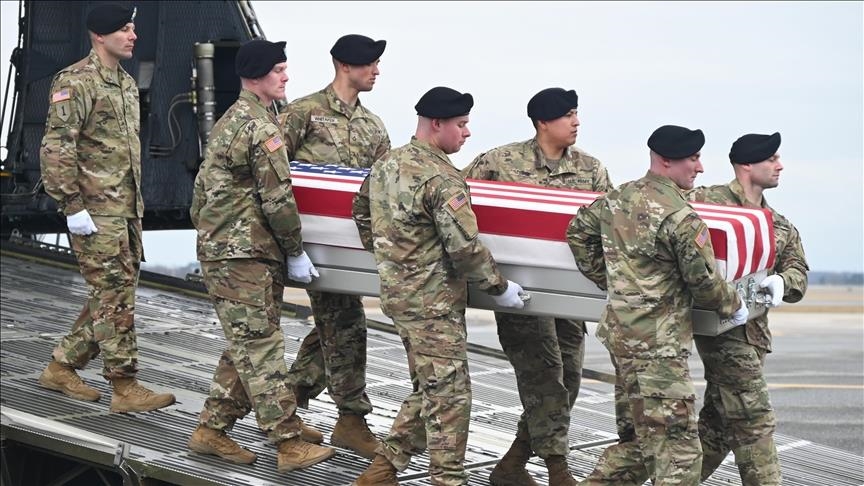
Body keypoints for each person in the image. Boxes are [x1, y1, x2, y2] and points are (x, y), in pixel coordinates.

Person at [351, 87, 528, 485]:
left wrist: (393, 258)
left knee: (431, 386)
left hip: (399, 295)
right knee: (450, 396)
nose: (467, 133)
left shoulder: (387, 164)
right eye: (461, 124)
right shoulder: (442, 178)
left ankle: (382, 471)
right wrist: (499, 287)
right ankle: (447, 479)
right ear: (437, 124)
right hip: (432, 304)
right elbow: (464, 248)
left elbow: (360, 212)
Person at [567, 125, 751, 485]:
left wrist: (614, 281)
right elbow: (705, 284)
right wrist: (735, 303)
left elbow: (577, 231)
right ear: (667, 160)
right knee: (678, 451)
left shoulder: (618, 198)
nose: (699, 168)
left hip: (623, 337)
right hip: (659, 348)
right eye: (693, 159)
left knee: (646, 440)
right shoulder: (681, 217)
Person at [185, 39, 335, 473]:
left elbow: (201, 193)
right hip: (243, 254)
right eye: (278, 70)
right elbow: (278, 199)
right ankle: (286, 442)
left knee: (247, 343)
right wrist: (295, 249)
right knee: (262, 347)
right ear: (256, 76)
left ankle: (212, 429)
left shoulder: (234, 119)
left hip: (233, 250)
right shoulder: (261, 127)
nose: (286, 77)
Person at [462, 87, 613, 486]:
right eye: (568, 115)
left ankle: (512, 465)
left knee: (569, 382)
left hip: (570, 297)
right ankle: (557, 470)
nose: (576, 122)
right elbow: (455, 202)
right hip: (521, 295)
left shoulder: (591, 170)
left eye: (576, 114)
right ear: (543, 122)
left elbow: (608, 227)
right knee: (546, 380)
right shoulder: (499, 162)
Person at [37, 3, 176, 414]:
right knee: (113, 295)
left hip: (126, 209)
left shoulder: (126, 83)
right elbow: (57, 147)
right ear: (100, 35)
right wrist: (71, 206)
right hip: (95, 211)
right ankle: (124, 385)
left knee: (113, 294)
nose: (133, 36)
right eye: (124, 29)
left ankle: (62, 366)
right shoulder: (76, 81)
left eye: (133, 28)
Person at [278, 33, 390, 459]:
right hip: (307, 245)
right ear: (345, 65)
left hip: (351, 248)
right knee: (347, 325)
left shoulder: (373, 125)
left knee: (337, 325)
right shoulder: (303, 113)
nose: (377, 71)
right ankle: (350, 419)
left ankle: (288, 401)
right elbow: (270, 170)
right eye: (370, 64)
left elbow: (383, 186)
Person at [687, 132, 808, 485]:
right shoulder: (702, 202)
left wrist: (783, 281)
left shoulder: (779, 225)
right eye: (772, 159)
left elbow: (798, 270)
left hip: (752, 335)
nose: (780, 165)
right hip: (715, 326)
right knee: (754, 419)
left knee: (717, 428)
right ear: (746, 165)